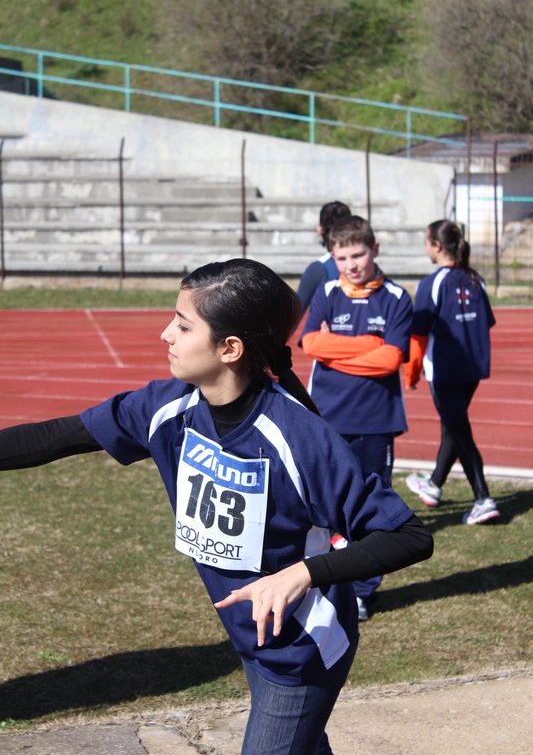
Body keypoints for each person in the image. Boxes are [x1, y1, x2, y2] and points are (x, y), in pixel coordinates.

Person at [0, 259, 433, 755]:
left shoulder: (299, 437)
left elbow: (409, 535)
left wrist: (300, 575)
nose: (166, 334)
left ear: (230, 348)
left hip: (300, 650)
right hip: (253, 635)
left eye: (183, 326)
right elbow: (61, 435)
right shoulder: (167, 408)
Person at [299, 217, 413, 621]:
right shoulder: (328, 292)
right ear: (333, 257)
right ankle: (324, 576)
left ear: (375, 249)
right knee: (321, 504)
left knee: (372, 505)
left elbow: (390, 361)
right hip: (327, 417)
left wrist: (338, 352)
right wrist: (368, 344)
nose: (351, 264)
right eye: (342, 256)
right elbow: (311, 342)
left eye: (358, 254)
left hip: (376, 420)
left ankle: (363, 591)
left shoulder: (398, 297)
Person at [404, 219, 500, 525]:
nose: (425, 247)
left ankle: (483, 498)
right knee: (452, 427)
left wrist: (412, 372)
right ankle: (433, 486)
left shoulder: (431, 284)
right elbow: (484, 323)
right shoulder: (476, 280)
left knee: (460, 432)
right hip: (472, 370)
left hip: (444, 371)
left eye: (425, 241)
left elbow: (418, 336)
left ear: (436, 246)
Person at [297, 201, 351, 317]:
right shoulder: (368, 265)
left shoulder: (317, 270)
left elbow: (293, 319)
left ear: (320, 230)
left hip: (327, 334)